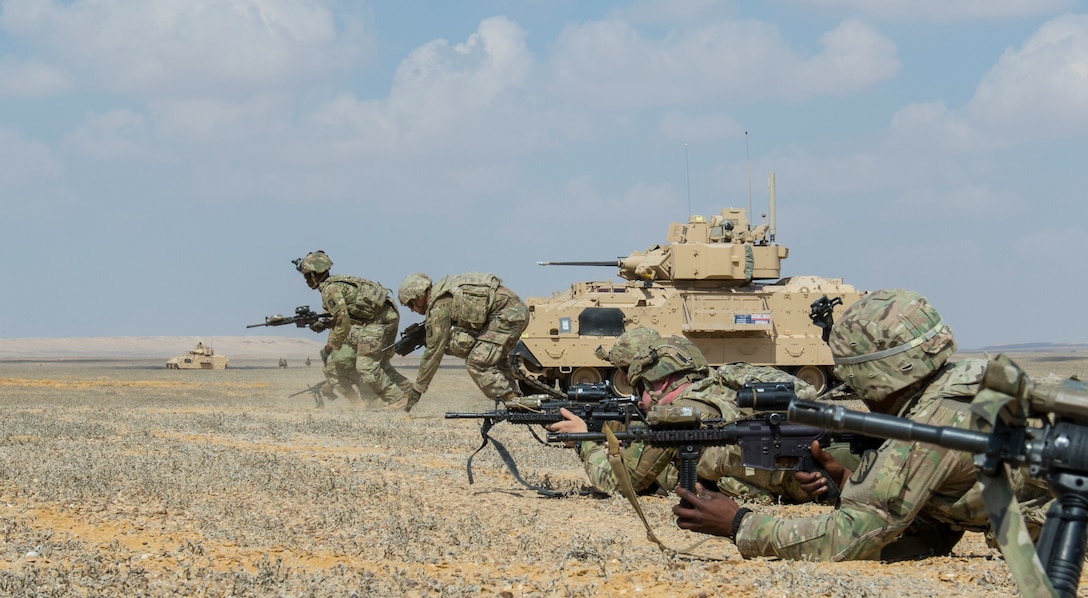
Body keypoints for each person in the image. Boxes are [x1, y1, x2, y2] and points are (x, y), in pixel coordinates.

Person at [672, 288, 1051, 562]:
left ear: (875, 377)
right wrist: (848, 483)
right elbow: (934, 532)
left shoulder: (933, 426)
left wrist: (738, 523)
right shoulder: (967, 385)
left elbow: (849, 539)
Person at [550, 331, 847, 503]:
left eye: (639, 388)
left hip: (832, 478)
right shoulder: (726, 389)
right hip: (841, 468)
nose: (639, 400)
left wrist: (582, 441)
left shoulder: (678, 415)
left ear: (661, 383)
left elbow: (621, 482)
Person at [296, 251, 414, 408]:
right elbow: (349, 315)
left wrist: (329, 348)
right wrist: (326, 324)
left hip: (378, 321)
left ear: (314, 274)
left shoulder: (330, 290)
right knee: (381, 363)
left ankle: (397, 399)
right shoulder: (338, 282)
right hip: (388, 315)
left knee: (365, 365)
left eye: (306, 276)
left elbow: (343, 324)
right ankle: (409, 392)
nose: (306, 281)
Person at [397, 271, 529, 411]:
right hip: (513, 311)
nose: (411, 310)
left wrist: (417, 389)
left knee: (476, 363)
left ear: (419, 296)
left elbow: (434, 352)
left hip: (508, 315)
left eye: (411, 305)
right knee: (494, 360)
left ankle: (513, 401)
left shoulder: (439, 306)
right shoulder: (444, 292)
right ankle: (519, 400)